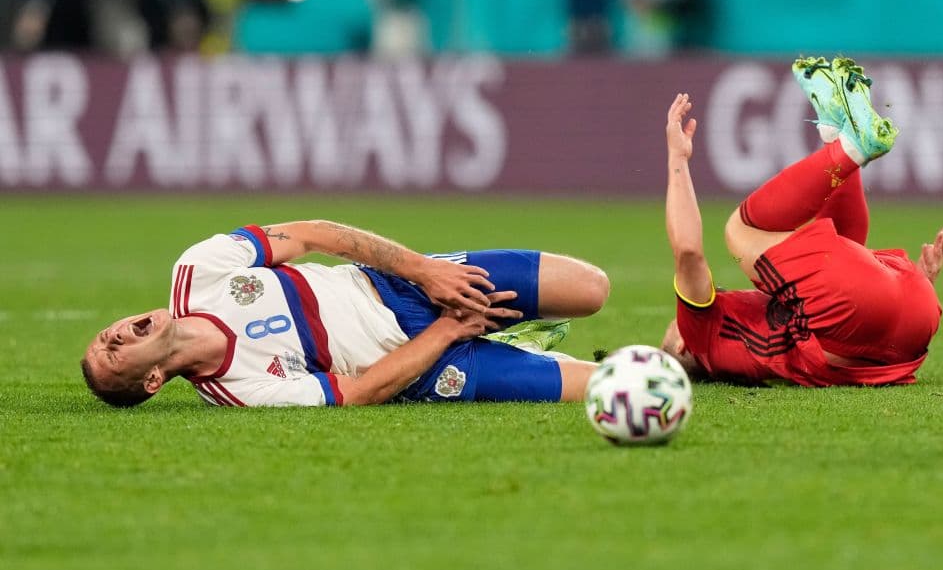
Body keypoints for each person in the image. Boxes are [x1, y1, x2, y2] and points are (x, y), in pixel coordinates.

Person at [81, 221, 606, 407]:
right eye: (114, 352)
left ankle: (510, 340)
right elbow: (357, 393)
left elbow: (314, 233)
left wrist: (426, 272)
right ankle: (508, 350)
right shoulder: (237, 391)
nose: (115, 335)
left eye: (107, 335)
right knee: (604, 387)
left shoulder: (197, 271)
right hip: (426, 367)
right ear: (153, 380)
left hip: (403, 285)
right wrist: (449, 331)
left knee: (590, 289)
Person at [661, 56, 943, 386]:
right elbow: (687, 251)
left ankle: (836, 132)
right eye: (674, 324)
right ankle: (849, 146)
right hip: (862, 311)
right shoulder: (698, 333)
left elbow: (845, 258)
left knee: (837, 254)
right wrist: (677, 158)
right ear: (682, 343)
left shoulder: (758, 339)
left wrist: (920, 284)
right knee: (740, 231)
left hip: (911, 325)